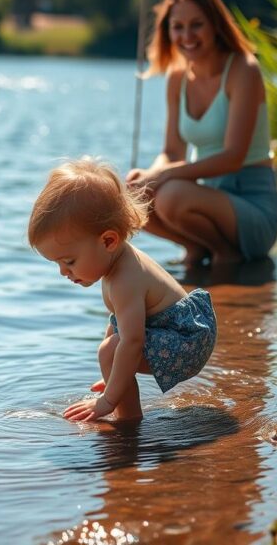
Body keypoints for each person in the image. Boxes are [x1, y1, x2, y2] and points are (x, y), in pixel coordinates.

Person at [28, 158, 217, 422]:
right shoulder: (117, 262)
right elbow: (119, 323)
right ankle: (121, 401)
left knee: (111, 350)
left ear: (107, 240)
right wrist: (115, 375)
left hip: (186, 343)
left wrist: (108, 399)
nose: (63, 272)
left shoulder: (125, 280)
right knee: (112, 350)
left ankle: (128, 422)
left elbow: (132, 341)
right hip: (182, 334)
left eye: (69, 261)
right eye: (57, 263)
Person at [126, 0, 277, 267]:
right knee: (133, 195)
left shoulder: (243, 70)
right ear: (167, 31)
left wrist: (165, 176)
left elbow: (233, 157)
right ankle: (197, 251)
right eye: (178, 27)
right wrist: (148, 176)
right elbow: (172, 152)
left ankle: (227, 255)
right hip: (206, 199)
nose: (187, 36)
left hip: (253, 208)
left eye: (196, 25)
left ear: (214, 24)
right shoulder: (177, 77)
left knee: (169, 194)